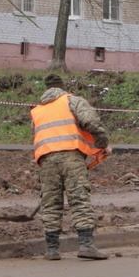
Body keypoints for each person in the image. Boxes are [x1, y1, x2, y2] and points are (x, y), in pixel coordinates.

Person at [31, 74, 111, 261]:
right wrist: (103, 142)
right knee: (79, 199)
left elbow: (36, 137)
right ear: (62, 88)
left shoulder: (37, 111)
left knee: (51, 203)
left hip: (46, 160)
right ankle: (86, 245)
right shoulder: (72, 101)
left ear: (46, 89)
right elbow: (90, 122)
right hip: (71, 157)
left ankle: (52, 250)